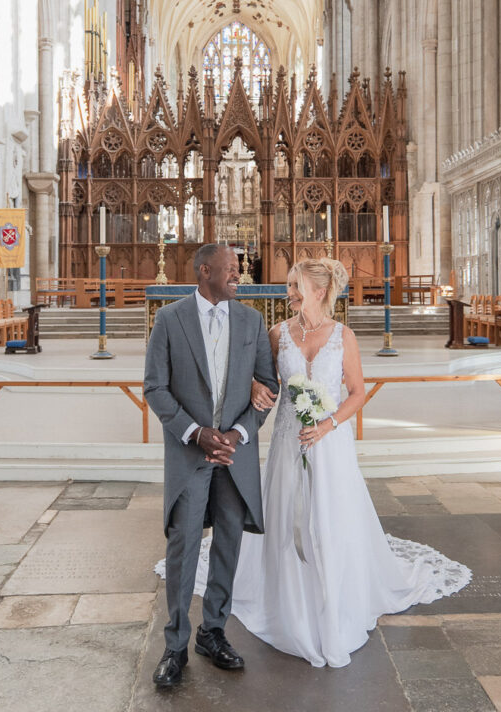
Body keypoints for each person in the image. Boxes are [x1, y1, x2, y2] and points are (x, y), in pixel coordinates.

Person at [171, 258, 471, 669]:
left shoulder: (342, 337)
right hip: (288, 444)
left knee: (330, 520)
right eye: (289, 285)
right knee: (287, 519)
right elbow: (260, 378)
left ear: (319, 291)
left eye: (295, 286)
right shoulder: (277, 334)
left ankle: (334, 599)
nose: (288, 292)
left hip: (329, 446)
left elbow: (357, 392)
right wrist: (257, 384)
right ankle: (292, 604)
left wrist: (328, 425)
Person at [144, 243, 278, 688]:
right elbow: (156, 388)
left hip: (234, 455)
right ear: (205, 272)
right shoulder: (169, 319)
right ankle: (175, 644)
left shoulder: (252, 321)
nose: (240, 275)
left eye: (239, 269)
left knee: (228, 542)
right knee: (183, 545)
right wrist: (196, 433)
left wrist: (238, 434)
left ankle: (213, 631)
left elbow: (268, 387)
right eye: (232, 269)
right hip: (190, 453)